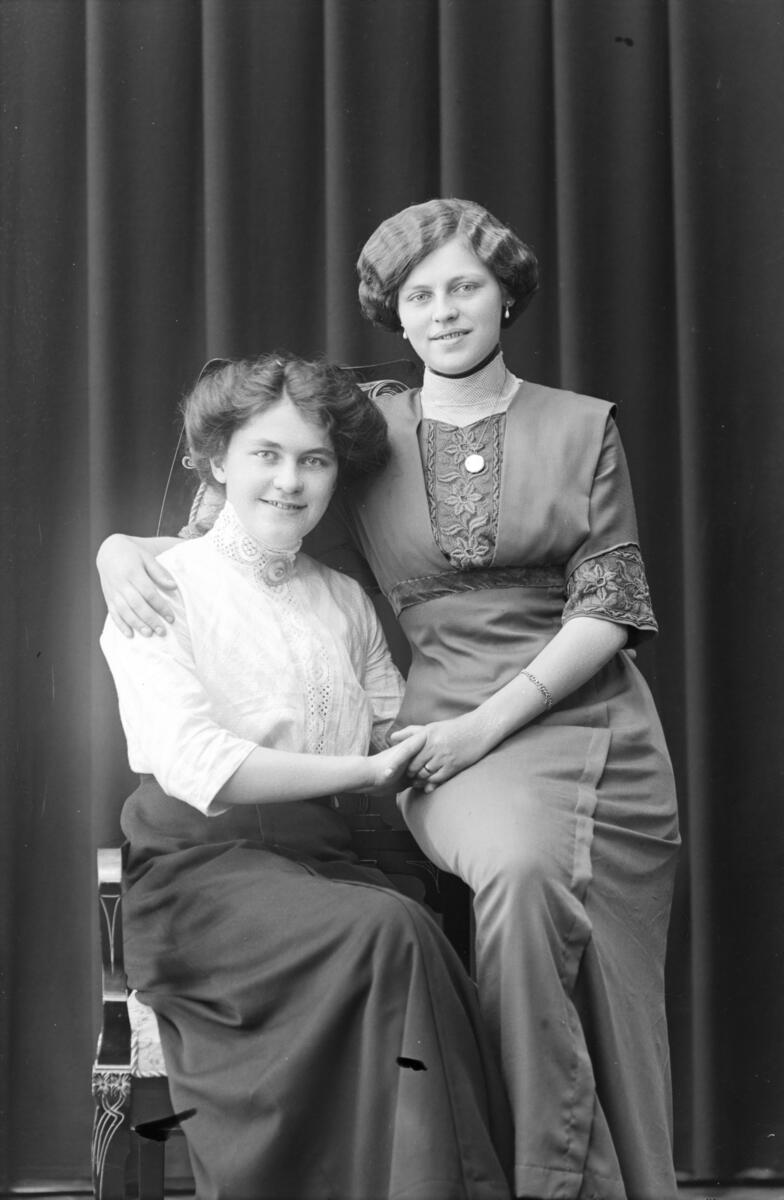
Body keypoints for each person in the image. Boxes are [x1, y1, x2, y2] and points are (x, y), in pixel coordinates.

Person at [97, 199, 681, 1200]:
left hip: (535, 737)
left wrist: (453, 737)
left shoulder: (570, 435)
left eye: (465, 287)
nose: (443, 311)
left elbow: (603, 610)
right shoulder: (341, 450)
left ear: (505, 298)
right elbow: (232, 528)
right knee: (459, 905)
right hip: (316, 797)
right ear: (394, 315)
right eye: (420, 294)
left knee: (467, 922)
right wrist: (119, 549)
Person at [98, 353, 515, 1200]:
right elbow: (199, 764)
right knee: (388, 931)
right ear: (218, 461)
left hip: (320, 866)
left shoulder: (343, 600)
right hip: (199, 878)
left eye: (314, 461)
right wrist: (365, 766)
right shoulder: (159, 586)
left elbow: (396, 728)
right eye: (267, 454)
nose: (290, 482)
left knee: (409, 927)